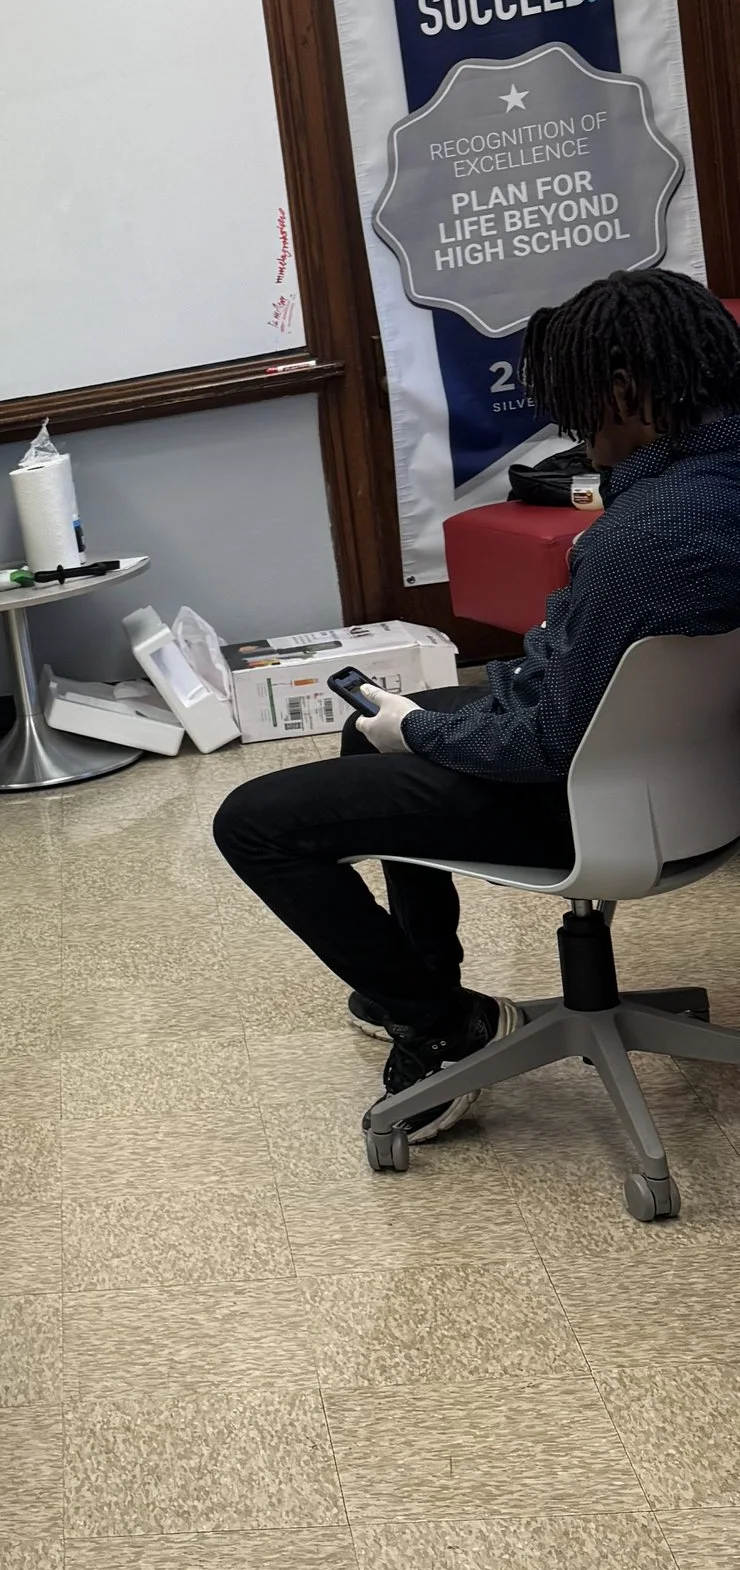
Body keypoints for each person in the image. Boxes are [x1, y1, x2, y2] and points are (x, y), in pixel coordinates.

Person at [214, 267, 740, 1134]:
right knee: (370, 728)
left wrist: (423, 729)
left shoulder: (648, 539)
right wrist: (421, 720)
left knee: (253, 822)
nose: (576, 434)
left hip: (591, 802)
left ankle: (442, 1024)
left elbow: (550, 744)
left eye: (580, 409)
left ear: (625, 393)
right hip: (702, 782)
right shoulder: (703, 489)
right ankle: (422, 982)